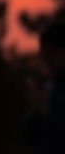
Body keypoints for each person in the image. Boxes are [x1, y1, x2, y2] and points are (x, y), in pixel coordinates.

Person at [24, 22, 65, 153]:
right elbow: (31, 136)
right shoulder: (50, 87)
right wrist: (36, 111)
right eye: (43, 54)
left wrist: (44, 112)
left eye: (50, 53)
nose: (46, 60)